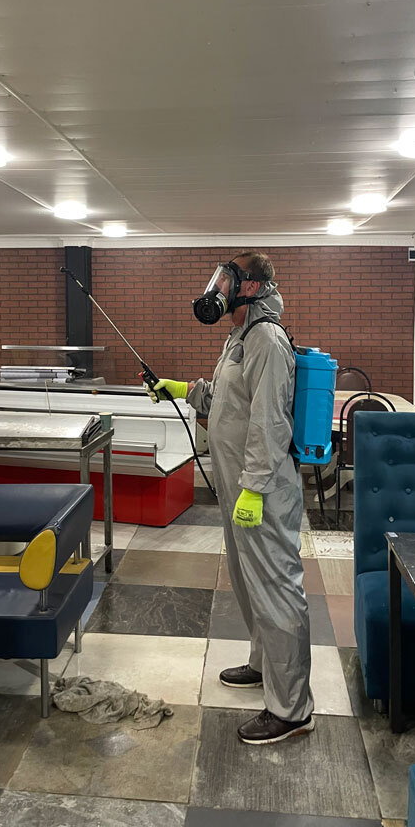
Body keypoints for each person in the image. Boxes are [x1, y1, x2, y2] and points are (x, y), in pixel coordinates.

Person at [150, 252, 313, 745]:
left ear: (251, 287)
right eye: (217, 278)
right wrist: (181, 389)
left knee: (276, 590)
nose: (217, 288)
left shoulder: (266, 339)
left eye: (227, 279)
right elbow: (227, 400)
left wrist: (256, 489)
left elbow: (269, 422)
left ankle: (291, 710)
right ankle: (265, 665)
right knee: (249, 584)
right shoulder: (240, 336)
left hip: (262, 492)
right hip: (238, 486)